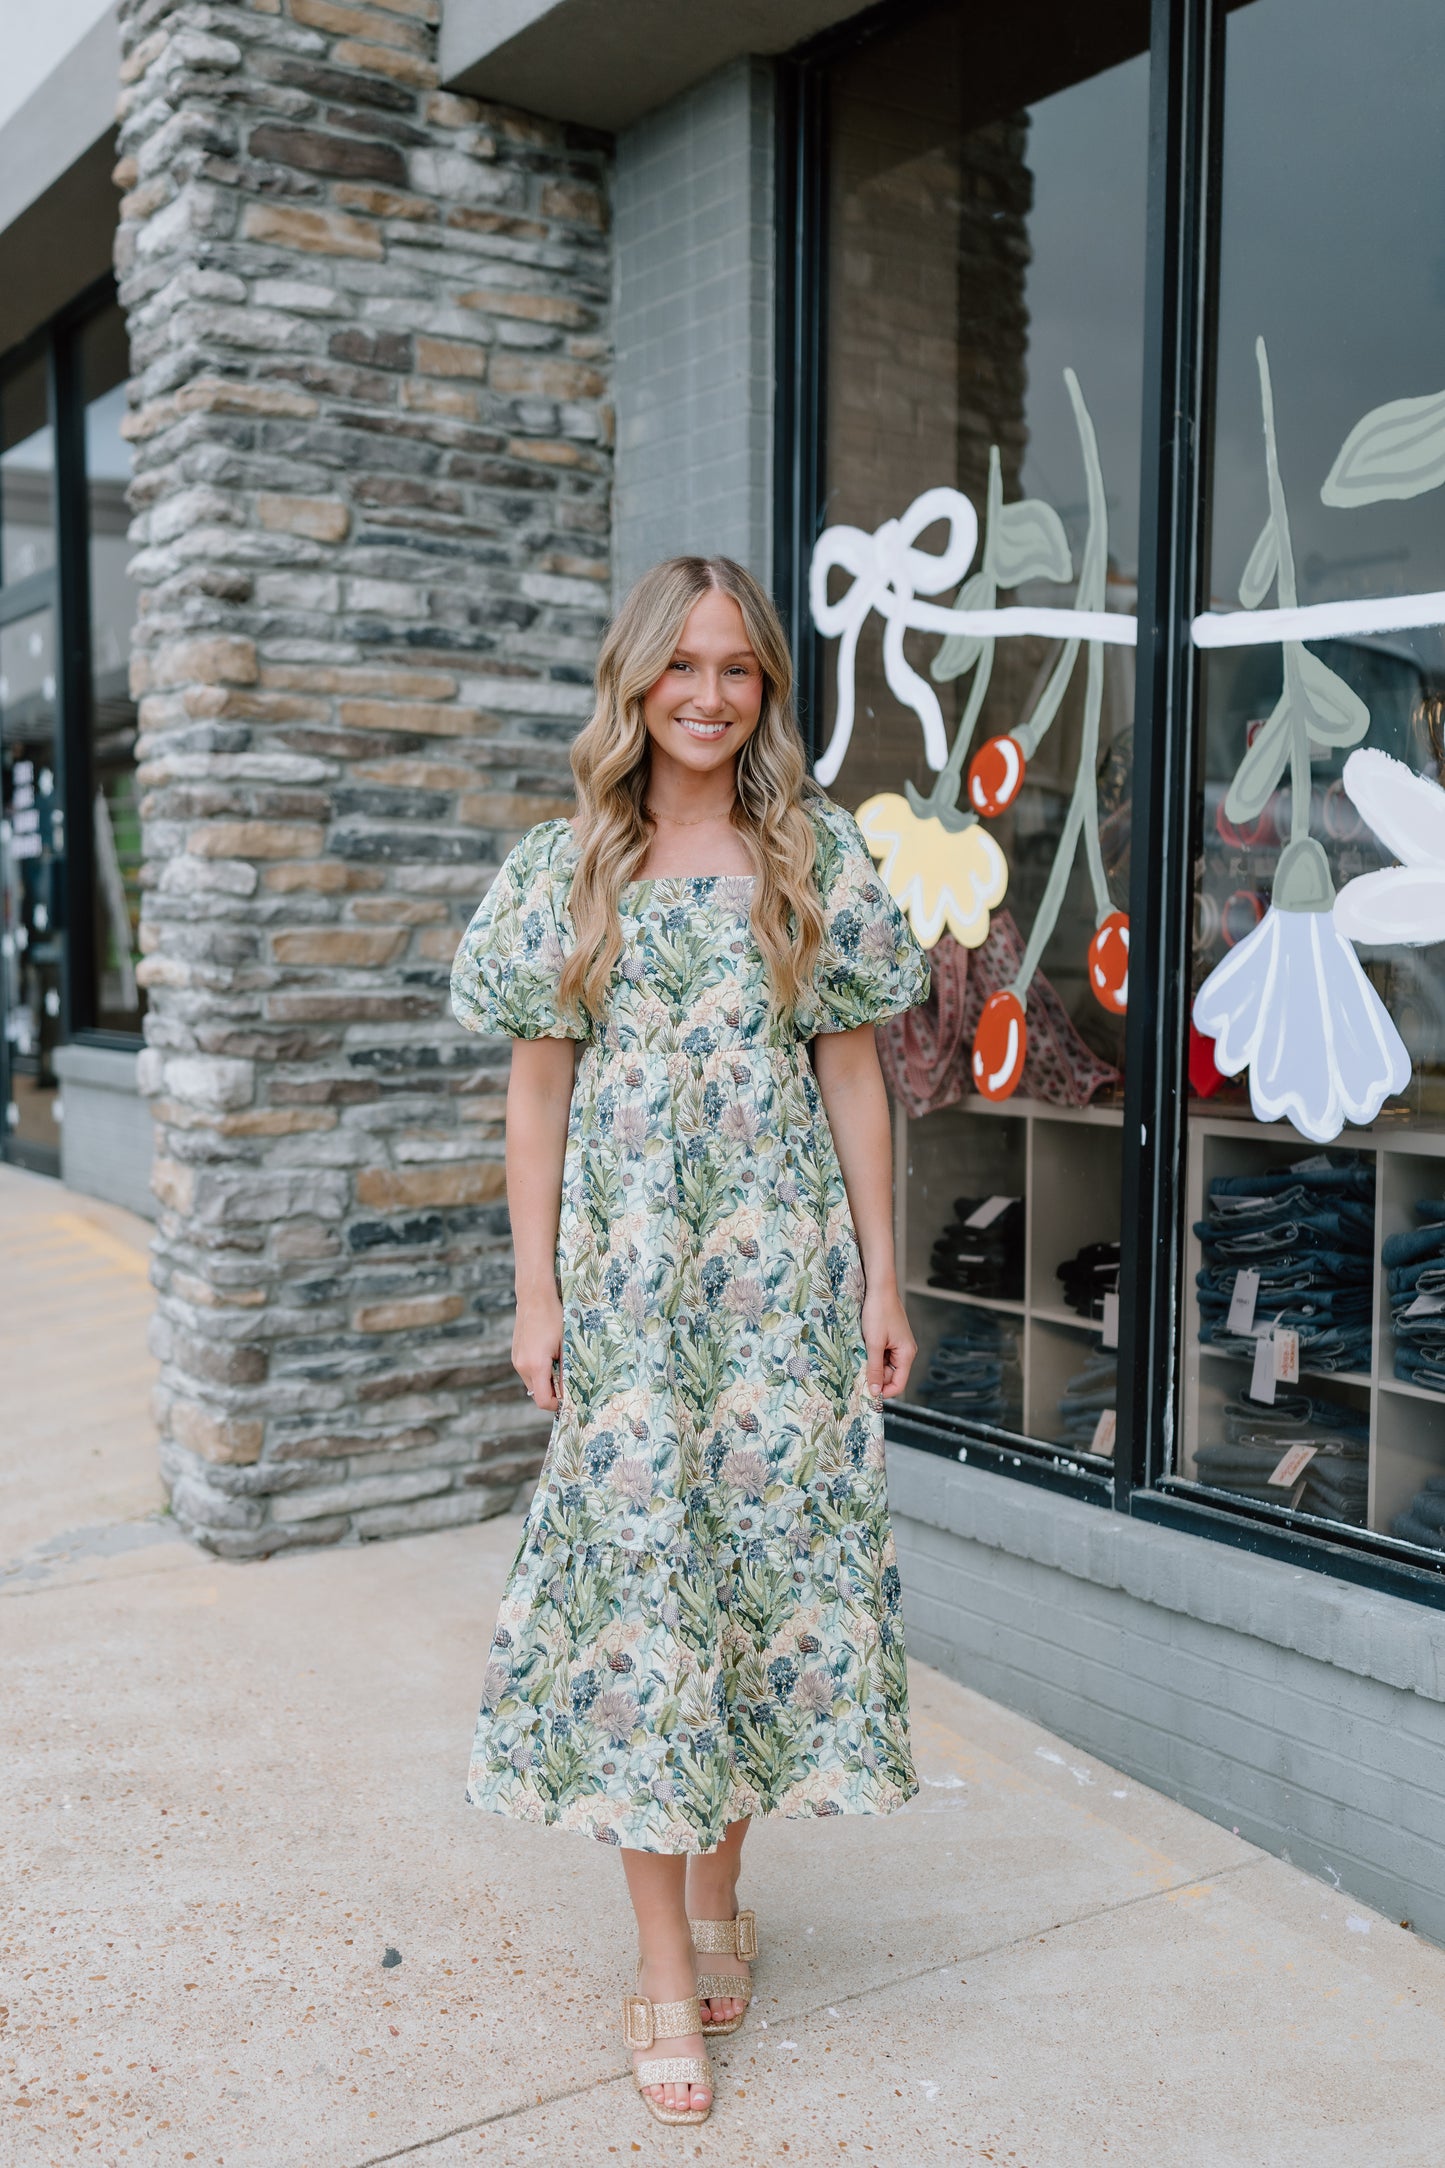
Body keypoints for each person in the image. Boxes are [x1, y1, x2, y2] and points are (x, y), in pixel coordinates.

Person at [450, 555, 930, 2128]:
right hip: (631, 1306)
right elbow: (535, 1098)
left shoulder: (815, 853)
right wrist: (537, 1298)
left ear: (764, 689)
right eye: (683, 670)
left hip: (780, 1295)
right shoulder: (564, 867)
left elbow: (856, 1079)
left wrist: (879, 1279)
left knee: (752, 1589)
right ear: (636, 683)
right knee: (642, 1612)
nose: (710, 698)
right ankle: (664, 1969)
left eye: (737, 670)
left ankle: (720, 1903)